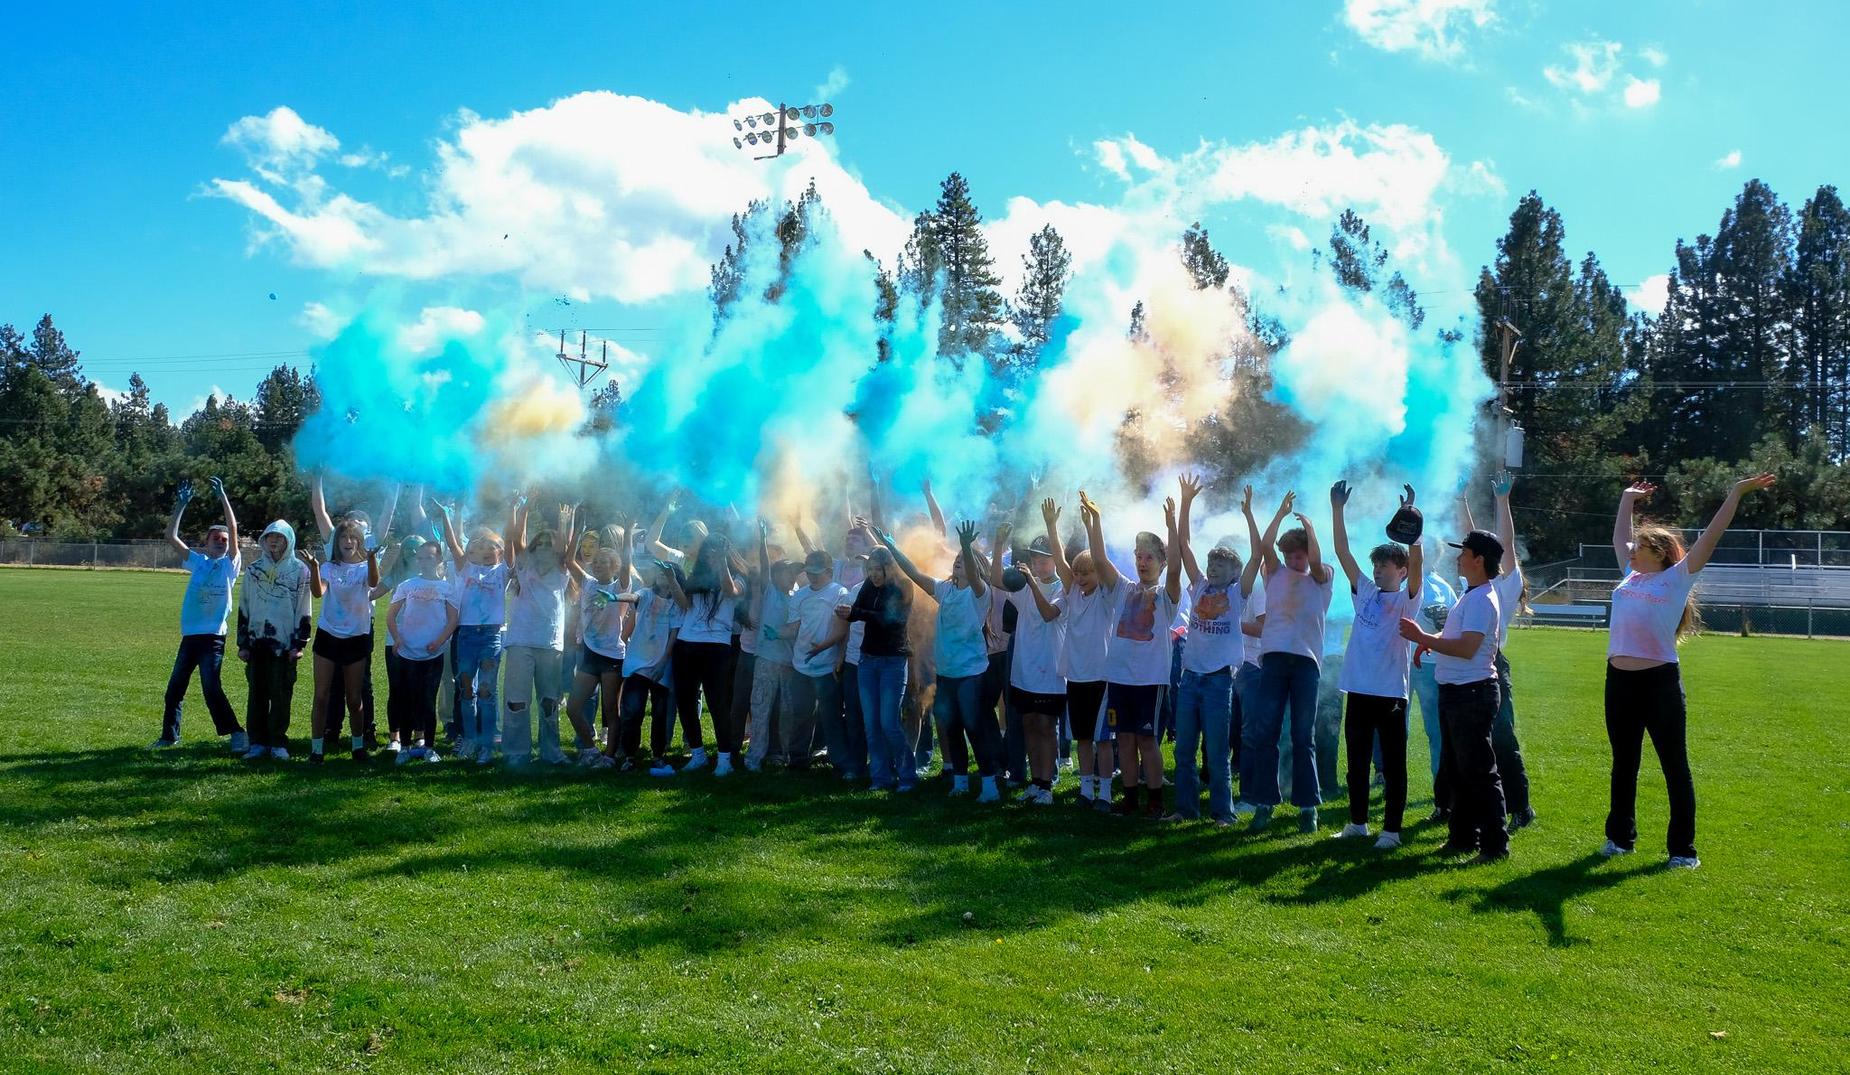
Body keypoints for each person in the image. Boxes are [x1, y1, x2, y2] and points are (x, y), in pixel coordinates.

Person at [1602, 473, 1775, 869]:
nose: (1630, 549)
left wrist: (1735, 492)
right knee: (1623, 762)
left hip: (1659, 683)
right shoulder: (1629, 575)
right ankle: (1619, 839)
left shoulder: (1677, 578)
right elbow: (1619, 536)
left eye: (1639, 546)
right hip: (1619, 682)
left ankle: (1682, 851)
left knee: (1674, 766)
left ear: (1659, 552)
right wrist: (1626, 500)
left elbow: (1712, 534)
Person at [1398, 529, 1508, 864]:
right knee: (1457, 770)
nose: (1458, 557)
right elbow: (1455, 635)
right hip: (1458, 691)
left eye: (1464, 553)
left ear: (1478, 560)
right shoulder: (1471, 593)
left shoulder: (1481, 598)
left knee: (1479, 772)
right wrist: (1427, 642)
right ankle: (1462, 838)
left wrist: (1423, 638)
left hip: (1471, 693)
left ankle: (1494, 845)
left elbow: (1466, 647)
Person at [1328, 481, 1423, 849]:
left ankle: (1392, 831)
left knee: (1394, 765)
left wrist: (1411, 521)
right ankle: (1358, 823)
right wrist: (1337, 509)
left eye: (1386, 565)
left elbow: (1417, 566)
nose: (1380, 570)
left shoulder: (1407, 599)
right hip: (1359, 688)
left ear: (1399, 570)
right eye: (1377, 565)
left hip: (1390, 694)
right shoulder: (1365, 591)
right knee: (1356, 761)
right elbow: (1341, 551)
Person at [883, 520, 1003, 802]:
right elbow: (913, 573)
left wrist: (965, 546)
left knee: (975, 729)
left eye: (966, 560)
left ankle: (989, 786)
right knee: (952, 728)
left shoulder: (979, 593)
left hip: (971, 674)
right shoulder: (945, 590)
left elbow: (973, 576)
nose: (959, 562)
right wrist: (892, 546)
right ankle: (960, 783)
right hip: (947, 673)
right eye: (958, 559)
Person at [1085, 490, 1182, 819]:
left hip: (1149, 680)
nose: (1142, 562)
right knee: (1124, 739)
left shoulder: (1166, 595)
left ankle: (1155, 801)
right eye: (1139, 556)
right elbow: (1099, 562)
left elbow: (1177, 570)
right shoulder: (1124, 588)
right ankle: (1129, 799)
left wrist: (1172, 526)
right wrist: (1095, 522)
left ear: (1161, 562)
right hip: (1119, 678)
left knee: (1146, 740)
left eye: (1150, 557)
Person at [1167, 474, 1258, 825]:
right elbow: (1185, 544)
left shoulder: (1238, 593)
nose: (1213, 567)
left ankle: (1224, 813)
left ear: (1234, 572)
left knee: (1218, 753)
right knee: (1183, 751)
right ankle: (1185, 809)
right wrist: (1186, 501)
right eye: (1211, 563)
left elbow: (1255, 557)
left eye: (1221, 564)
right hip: (1191, 679)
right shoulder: (1200, 586)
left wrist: (1249, 515)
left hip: (1219, 681)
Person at [1244, 491, 1336, 833]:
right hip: (1274, 660)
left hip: (1306, 664)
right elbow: (1264, 548)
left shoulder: (1321, 575)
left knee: (1302, 733)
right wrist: (1280, 514)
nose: (1297, 561)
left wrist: (1311, 530)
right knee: (1266, 731)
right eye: (1292, 556)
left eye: (1301, 555)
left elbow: (1316, 561)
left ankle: (1308, 807)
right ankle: (1265, 802)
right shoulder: (1275, 574)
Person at [1462, 472, 1537, 833]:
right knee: (1472, 741)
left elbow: (1501, 544)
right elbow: (1473, 543)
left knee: (1503, 739)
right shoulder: (1477, 582)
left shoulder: (1506, 587)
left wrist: (1503, 502)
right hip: (1468, 665)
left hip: (1492, 666)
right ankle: (1470, 807)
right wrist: (1462, 501)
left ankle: (1521, 807)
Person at [154, 477, 245, 752]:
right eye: (215, 539)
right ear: (205, 542)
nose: (221, 541)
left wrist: (223, 497)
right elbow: (171, 537)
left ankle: (238, 734)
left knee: (211, 689)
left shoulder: (231, 564)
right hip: (190, 637)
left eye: (224, 540)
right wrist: (181, 505)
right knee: (174, 691)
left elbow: (233, 527)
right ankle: (169, 737)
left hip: (213, 639)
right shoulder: (197, 562)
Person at [311, 475, 399, 750]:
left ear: (365, 532)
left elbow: (387, 513)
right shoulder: (333, 545)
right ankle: (331, 731)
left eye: (358, 527)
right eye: (347, 527)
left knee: (361, 685)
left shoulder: (372, 545)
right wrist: (318, 478)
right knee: (331, 685)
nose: (351, 533)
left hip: (361, 624)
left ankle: (364, 733)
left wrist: (394, 485)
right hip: (332, 627)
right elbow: (320, 509)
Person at [1048, 496, 1114, 810]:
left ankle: (1105, 792)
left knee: (1103, 739)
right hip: (1076, 678)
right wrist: (1051, 526)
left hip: (1100, 678)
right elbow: (1061, 563)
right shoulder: (1072, 592)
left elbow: (1099, 560)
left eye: (1087, 573)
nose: (1081, 577)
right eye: (1078, 573)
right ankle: (1086, 790)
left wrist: (1091, 527)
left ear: (1098, 575)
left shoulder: (1105, 596)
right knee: (1083, 738)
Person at [1001, 509, 1067, 807]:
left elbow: (1049, 613)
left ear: (1055, 560)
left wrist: (1031, 582)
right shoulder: (1025, 584)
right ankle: (1035, 781)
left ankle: (1047, 783)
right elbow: (993, 579)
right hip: (1025, 670)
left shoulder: (1063, 587)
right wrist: (997, 544)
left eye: (1043, 559)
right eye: (1035, 559)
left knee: (1046, 726)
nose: (1038, 564)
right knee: (1028, 723)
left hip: (1050, 671)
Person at [503, 498, 574, 767]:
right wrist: (524, 509)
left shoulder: (562, 570)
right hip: (521, 642)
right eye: (539, 543)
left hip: (550, 644)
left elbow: (565, 548)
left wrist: (565, 522)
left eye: (549, 543)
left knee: (549, 702)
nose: (544, 547)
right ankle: (516, 752)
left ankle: (551, 751)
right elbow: (515, 537)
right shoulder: (524, 565)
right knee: (517, 701)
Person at [303, 518, 380, 763]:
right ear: (337, 543)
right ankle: (317, 750)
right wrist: (315, 568)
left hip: (356, 638)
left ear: (359, 542)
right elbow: (318, 592)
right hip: (328, 636)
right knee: (321, 695)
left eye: (353, 538)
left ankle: (358, 746)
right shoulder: (328, 567)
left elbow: (374, 583)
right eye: (343, 538)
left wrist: (371, 560)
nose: (348, 541)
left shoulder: (363, 567)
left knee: (354, 697)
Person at [236, 518, 312, 760]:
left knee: (281, 695)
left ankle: (278, 742)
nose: (274, 541)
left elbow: (304, 608)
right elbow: (244, 606)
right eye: (270, 537)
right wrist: (243, 643)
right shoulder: (254, 570)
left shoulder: (300, 570)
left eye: (280, 537)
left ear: (288, 541)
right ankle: (257, 742)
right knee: (257, 693)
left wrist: (299, 644)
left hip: (284, 645)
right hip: (257, 643)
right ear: (264, 540)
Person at [842, 544, 914, 792]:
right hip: (867, 660)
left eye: (877, 569)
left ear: (889, 567)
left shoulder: (903, 587)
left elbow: (890, 620)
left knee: (888, 723)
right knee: (871, 724)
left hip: (893, 661)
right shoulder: (868, 586)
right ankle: (880, 777)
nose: (873, 574)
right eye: (870, 569)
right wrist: (847, 613)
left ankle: (906, 776)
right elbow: (858, 613)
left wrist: (856, 612)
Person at [670, 532, 742, 774]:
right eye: (709, 552)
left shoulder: (739, 576)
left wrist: (722, 562)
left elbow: (730, 591)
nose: (711, 556)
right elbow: (685, 605)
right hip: (686, 643)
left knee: (717, 703)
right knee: (685, 701)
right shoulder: (696, 577)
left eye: (717, 552)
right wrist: (672, 579)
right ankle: (698, 754)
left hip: (716, 646)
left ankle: (724, 760)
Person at [385, 535, 458, 764]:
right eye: (421, 557)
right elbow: (390, 614)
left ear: (439, 560)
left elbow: (453, 620)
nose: (425, 561)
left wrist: (439, 642)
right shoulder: (408, 586)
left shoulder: (447, 588)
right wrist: (397, 638)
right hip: (407, 653)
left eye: (430, 557)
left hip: (433, 654)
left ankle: (428, 748)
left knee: (427, 700)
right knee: (406, 699)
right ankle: (405, 747)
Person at [564, 533, 633, 769]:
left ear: (615, 566)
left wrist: (627, 531)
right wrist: (573, 529)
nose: (599, 565)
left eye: (605, 562)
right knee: (573, 707)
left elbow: (627, 564)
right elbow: (568, 560)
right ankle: (591, 749)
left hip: (612, 656)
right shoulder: (588, 583)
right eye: (597, 562)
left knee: (611, 711)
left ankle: (609, 757)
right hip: (590, 654)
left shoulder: (619, 586)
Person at [790, 549, 858, 780]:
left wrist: (838, 658)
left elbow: (844, 630)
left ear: (829, 571)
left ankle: (840, 761)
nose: (811, 576)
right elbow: (793, 628)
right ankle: (798, 759)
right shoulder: (799, 596)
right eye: (809, 572)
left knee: (831, 716)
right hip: (800, 664)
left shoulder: (840, 594)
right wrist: (773, 633)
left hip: (826, 667)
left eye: (816, 572)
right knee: (800, 713)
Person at [617, 556, 684, 776]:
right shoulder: (646, 594)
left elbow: (674, 634)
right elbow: (633, 596)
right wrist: (613, 598)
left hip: (661, 665)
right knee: (632, 711)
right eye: (659, 573)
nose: (660, 576)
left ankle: (658, 756)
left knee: (660, 712)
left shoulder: (677, 603)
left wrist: (663, 662)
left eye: (665, 573)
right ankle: (629, 756)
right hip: (637, 663)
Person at [745, 523, 802, 772]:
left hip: (788, 663)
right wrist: (763, 539)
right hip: (766, 660)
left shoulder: (798, 597)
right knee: (761, 708)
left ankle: (784, 756)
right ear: (777, 575)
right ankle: (753, 759)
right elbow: (765, 567)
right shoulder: (770, 592)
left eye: (794, 572)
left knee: (787, 711)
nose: (792, 576)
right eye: (788, 572)